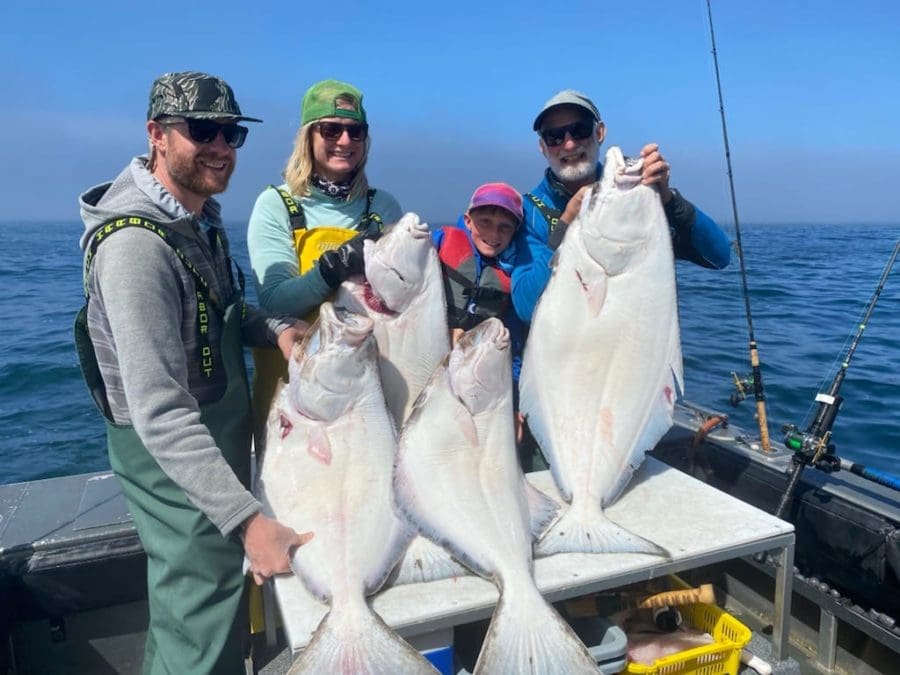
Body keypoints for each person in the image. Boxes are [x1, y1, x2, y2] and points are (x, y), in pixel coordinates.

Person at [76, 71, 312, 674]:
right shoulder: (135, 248)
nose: (221, 146)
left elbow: (225, 312)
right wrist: (248, 521)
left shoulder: (198, 217)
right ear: (156, 134)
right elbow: (157, 411)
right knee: (201, 626)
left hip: (216, 443)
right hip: (176, 465)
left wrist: (276, 329)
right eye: (203, 130)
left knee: (196, 619)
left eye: (231, 133)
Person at [247, 78, 402, 438]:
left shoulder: (384, 207)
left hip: (364, 394)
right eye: (330, 129)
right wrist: (333, 270)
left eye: (355, 131)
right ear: (308, 137)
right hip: (295, 396)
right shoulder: (275, 206)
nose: (344, 141)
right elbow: (274, 300)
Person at [512, 89, 732, 324]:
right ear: (542, 148)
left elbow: (719, 255)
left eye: (580, 130)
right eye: (554, 136)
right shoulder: (528, 213)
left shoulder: (638, 197)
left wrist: (669, 200)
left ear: (600, 133)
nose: (568, 144)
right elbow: (526, 308)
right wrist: (565, 224)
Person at [432, 182, 530, 464]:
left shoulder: (513, 279)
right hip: (430, 370)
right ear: (467, 220)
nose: (493, 234)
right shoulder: (438, 244)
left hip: (474, 386)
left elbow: (512, 350)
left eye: (504, 227)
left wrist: (512, 406)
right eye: (484, 222)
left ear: (515, 232)